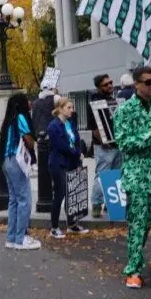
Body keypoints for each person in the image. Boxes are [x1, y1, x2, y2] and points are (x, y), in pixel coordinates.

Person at [113, 66, 151, 289]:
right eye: (148, 82)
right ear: (137, 84)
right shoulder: (124, 111)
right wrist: (149, 134)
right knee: (139, 225)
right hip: (139, 177)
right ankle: (133, 271)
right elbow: (124, 143)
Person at [0, 93, 41, 251]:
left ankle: (12, 238)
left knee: (14, 201)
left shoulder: (9, 120)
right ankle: (21, 238)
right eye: (26, 100)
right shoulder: (21, 117)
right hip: (17, 162)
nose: (29, 102)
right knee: (25, 200)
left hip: (7, 161)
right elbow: (28, 140)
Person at [47, 98, 90, 239]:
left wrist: (79, 154)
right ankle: (54, 227)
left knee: (72, 194)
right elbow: (61, 146)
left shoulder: (70, 124)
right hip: (58, 163)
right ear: (60, 109)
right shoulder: (53, 126)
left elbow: (76, 141)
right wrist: (77, 153)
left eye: (72, 107)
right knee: (59, 194)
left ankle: (72, 224)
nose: (72, 110)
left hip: (72, 162)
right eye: (69, 107)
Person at [87, 74, 123, 218]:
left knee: (116, 175)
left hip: (117, 144)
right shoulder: (94, 102)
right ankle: (96, 205)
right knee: (102, 175)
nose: (110, 85)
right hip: (104, 147)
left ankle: (111, 204)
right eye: (106, 84)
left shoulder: (113, 100)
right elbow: (93, 127)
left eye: (110, 82)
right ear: (98, 87)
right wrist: (104, 141)